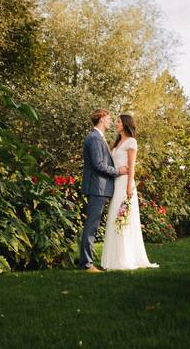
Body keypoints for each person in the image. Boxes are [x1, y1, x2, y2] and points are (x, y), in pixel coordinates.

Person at [100, 114, 158, 270]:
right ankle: (112, 259)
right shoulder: (117, 143)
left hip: (125, 184)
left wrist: (129, 187)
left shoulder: (132, 142)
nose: (116, 124)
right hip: (116, 183)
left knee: (123, 219)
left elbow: (132, 166)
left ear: (126, 124)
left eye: (118, 122)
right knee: (114, 218)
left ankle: (125, 258)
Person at [79, 109, 128, 272]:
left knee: (93, 224)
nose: (110, 121)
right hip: (96, 188)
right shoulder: (94, 139)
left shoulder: (98, 138)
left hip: (100, 188)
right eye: (108, 119)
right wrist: (118, 171)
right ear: (101, 120)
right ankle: (87, 264)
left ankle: (88, 261)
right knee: (91, 225)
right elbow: (98, 165)